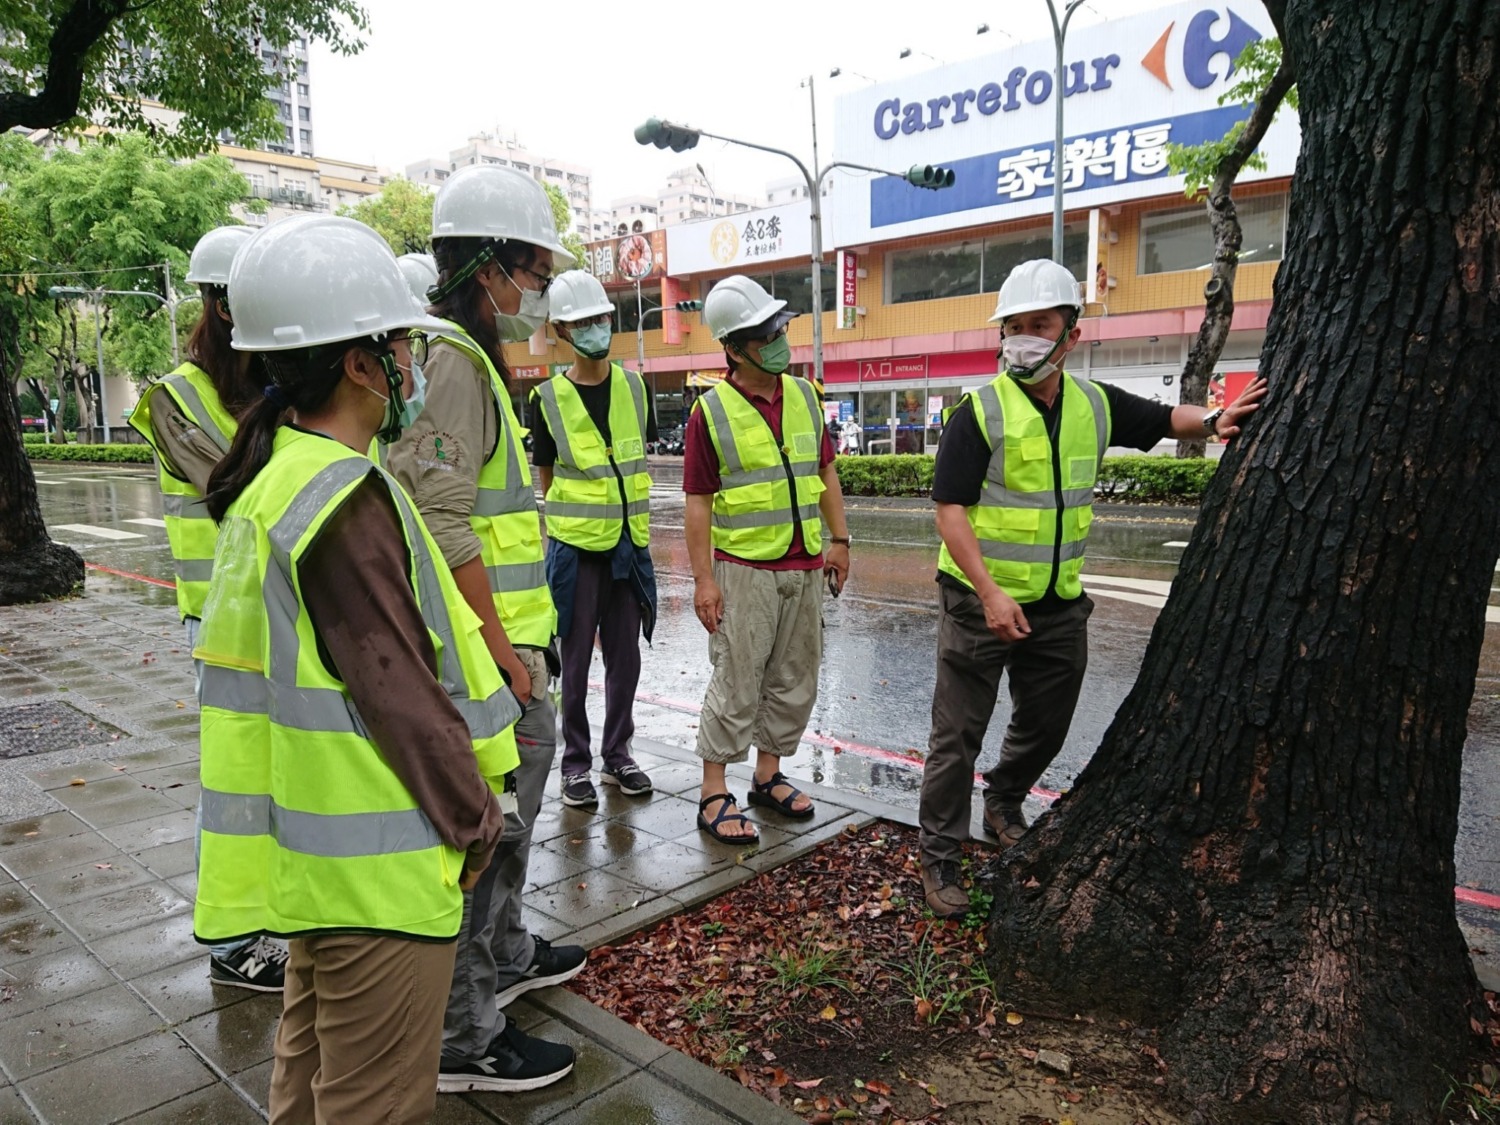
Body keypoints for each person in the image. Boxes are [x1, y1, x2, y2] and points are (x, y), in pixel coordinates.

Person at [191, 214, 530, 1122]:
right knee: (374, 1105)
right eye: (400, 344)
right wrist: (474, 817)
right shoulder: (342, 495)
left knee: (308, 1092)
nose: (412, 364)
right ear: (357, 363)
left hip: (318, 863)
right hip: (380, 872)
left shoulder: (275, 478)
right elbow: (402, 697)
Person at [918, 259, 1267, 917]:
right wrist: (991, 592)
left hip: (1056, 605)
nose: (1022, 337)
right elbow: (949, 510)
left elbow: (1165, 419)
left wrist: (1217, 421)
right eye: (1014, 326)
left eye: (1038, 324)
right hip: (976, 601)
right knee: (955, 735)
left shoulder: (1093, 404)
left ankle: (1003, 797)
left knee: (1047, 720)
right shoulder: (980, 411)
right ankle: (939, 860)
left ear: (1069, 335)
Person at [382, 164, 583, 1091]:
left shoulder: (468, 357)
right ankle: (462, 1036)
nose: (537, 292)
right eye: (533, 272)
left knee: (511, 826)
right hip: (482, 656)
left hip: (505, 645)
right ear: (491, 267)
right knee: (484, 833)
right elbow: (444, 516)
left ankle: (501, 957)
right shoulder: (456, 361)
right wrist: (502, 656)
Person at [127, 223, 290, 994]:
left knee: (279, 774)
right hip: (224, 623)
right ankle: (231, 939)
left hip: (282, 612)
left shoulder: (267, 389)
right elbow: (235, 490)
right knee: (235, 785)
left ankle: (271, 915)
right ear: (221, 307)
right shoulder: (174, 400)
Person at [684, 275, 852, 843]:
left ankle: (767, 775)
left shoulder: (805, 396)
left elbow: (824, 470)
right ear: (733, 347)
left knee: (793, 677)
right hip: (744, 569)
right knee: (737, 679)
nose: (780, 339)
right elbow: (698, 504)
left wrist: (841, 540)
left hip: (803, 564)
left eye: (780, 326)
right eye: (765, 333)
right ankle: (713, 793)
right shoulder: (710, 413)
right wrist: (704, 580)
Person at [530, 270, 658, 809]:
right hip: (576, 551)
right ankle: (576, 764)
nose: (596, 329)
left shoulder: (635, 386)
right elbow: (547, 478)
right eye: (583, 322)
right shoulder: (547, 399)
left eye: (601, 318)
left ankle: (618, 756)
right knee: (576, 661)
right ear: (561, 329)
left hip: (630, 546)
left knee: (624, 659)